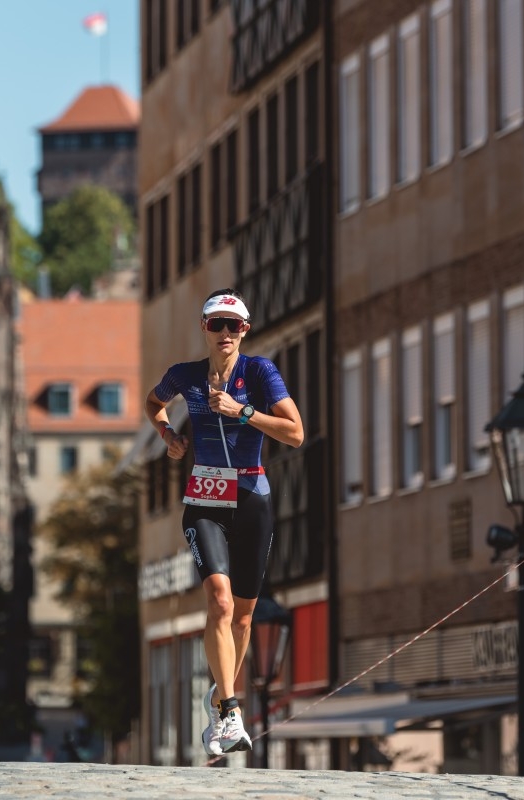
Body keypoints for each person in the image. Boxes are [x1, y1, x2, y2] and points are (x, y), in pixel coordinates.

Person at [144, 288, 304, 756]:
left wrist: (244, 412)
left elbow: (295, 433)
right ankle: (231, 710)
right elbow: (154, 404)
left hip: (252, 496)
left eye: (235, 325)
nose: (226, 333)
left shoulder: (260, 373)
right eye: (218, 324)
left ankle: (218, 697)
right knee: (219, 600)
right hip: (204, 500)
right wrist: (168, 435)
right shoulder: (185, 376)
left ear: (245, 331)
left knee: (245, 614)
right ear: (205, 329)